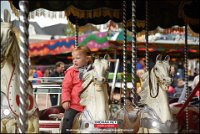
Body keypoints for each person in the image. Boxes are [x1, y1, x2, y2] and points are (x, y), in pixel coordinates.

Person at [61, 46, 93, 133]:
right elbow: (66, 87)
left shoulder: (93, 72)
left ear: (87, 59)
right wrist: (65, 100)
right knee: (67, 119)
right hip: (74, 105)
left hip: (89, 105)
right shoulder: (71, 72)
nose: (74, 60)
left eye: (78, 58)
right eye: (73, 58)